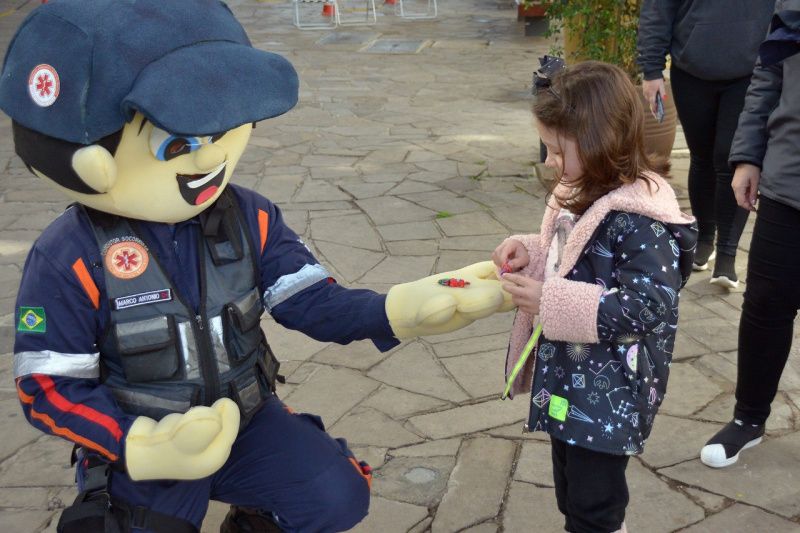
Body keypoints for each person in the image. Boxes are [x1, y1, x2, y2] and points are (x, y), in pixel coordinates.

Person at [0, 1, 513, 531]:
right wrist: (136, 444)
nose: (206, 158)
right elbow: (47, 387)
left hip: (245, 418)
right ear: (88, 158)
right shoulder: (68, 255)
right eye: (178, 142)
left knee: (335, 495)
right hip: (142, 439)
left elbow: (311, 302)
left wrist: (397, 310)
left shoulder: (250, 216)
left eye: (218, 131)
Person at [493, 61, 697, 533]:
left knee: (594, 507)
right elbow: (574, 252)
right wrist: (534, 250)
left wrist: (549, 301)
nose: (548, 162)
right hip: (574, 378)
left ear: (598, 140)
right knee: (573, 496)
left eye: (556, 149)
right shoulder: (583, 189)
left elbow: (650, 306)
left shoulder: (641, 218)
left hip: (610, 394)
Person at [700, 0, 800, 469]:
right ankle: (749, 419)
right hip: (790, 178)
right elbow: (768, 76)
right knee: (765, 305)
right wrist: (748, 156)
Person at [637, 0, 774, 289]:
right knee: (701, 157)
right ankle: (703, 239)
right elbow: (658, 8)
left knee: (731, 158)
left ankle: (726, 253)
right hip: (692, 71)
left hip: (752, 72)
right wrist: (651, 69)